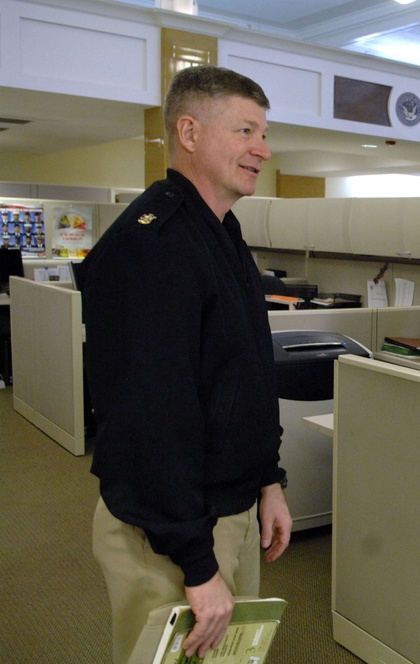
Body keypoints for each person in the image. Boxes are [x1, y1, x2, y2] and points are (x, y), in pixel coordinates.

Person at [76, 65, 292, 663]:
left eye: (264, 133)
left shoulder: (221, 233)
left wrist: (267, 480)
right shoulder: (153, 245)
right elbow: (150, 419)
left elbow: (243, 375)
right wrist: (197, 566)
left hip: (229, 507)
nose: (263, 149)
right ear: (190, 132)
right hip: (173, 532)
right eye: (246, 130)